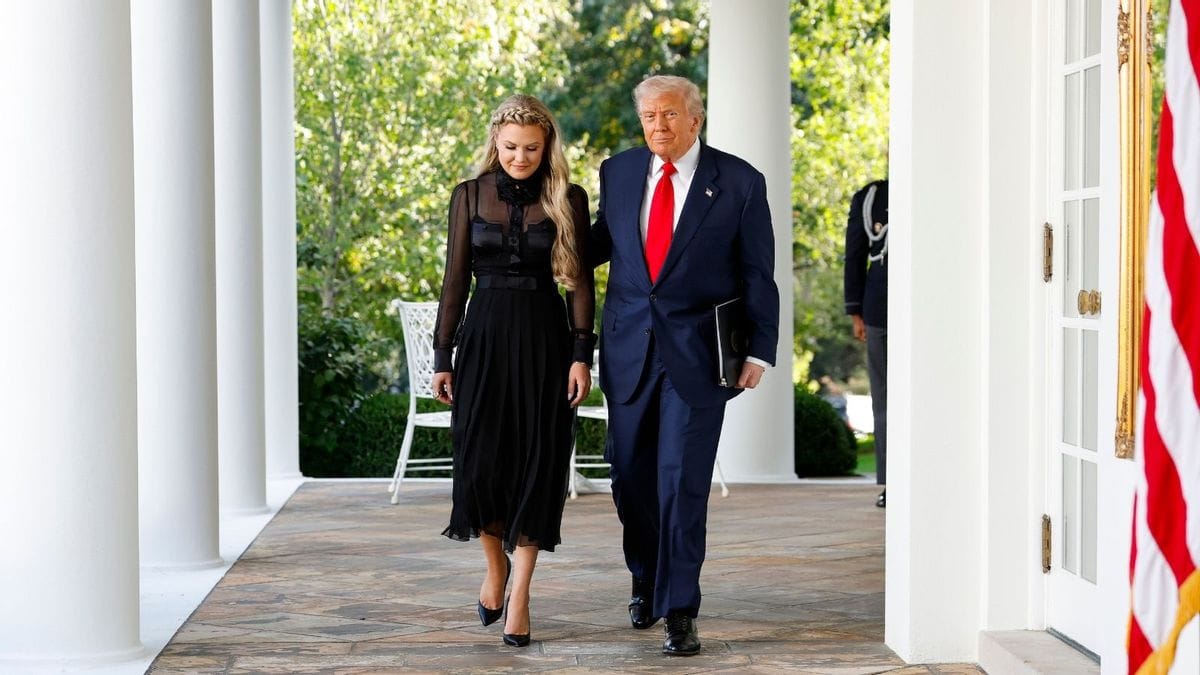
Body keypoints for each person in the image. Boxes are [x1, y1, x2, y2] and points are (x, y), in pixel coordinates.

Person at [591, 75, 779, 656]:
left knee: (682, 483)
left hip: (698, 356)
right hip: (628, 351)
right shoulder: (618, 173)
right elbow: (599, 243)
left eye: (669, 115)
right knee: (629, 477)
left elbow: (757, 273)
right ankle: (645, 576)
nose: (657, 126)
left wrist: (759, 349)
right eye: (648, 116)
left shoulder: (740, 182)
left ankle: (679, 607)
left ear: (695, 119)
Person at [431, 94, 596, 647]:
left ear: (547, 145)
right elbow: (455, 281)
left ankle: (521, 593)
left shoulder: (569, 198)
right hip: (483, 342)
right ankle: (494, 568)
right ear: (494, 143)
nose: (519, 158)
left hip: (546, 342)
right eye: (509, 148)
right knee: (480, 461)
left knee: (539, 461)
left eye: (530, 148)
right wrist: (442, 356)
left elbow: (580, 284)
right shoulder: (470, 195)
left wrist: (581, 355)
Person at [843, 178, 888, 508]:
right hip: (881, 305)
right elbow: (854, 255)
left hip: (928, 305)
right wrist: (855, 311)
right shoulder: (871, 197)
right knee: (884, 399)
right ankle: (891, 482)